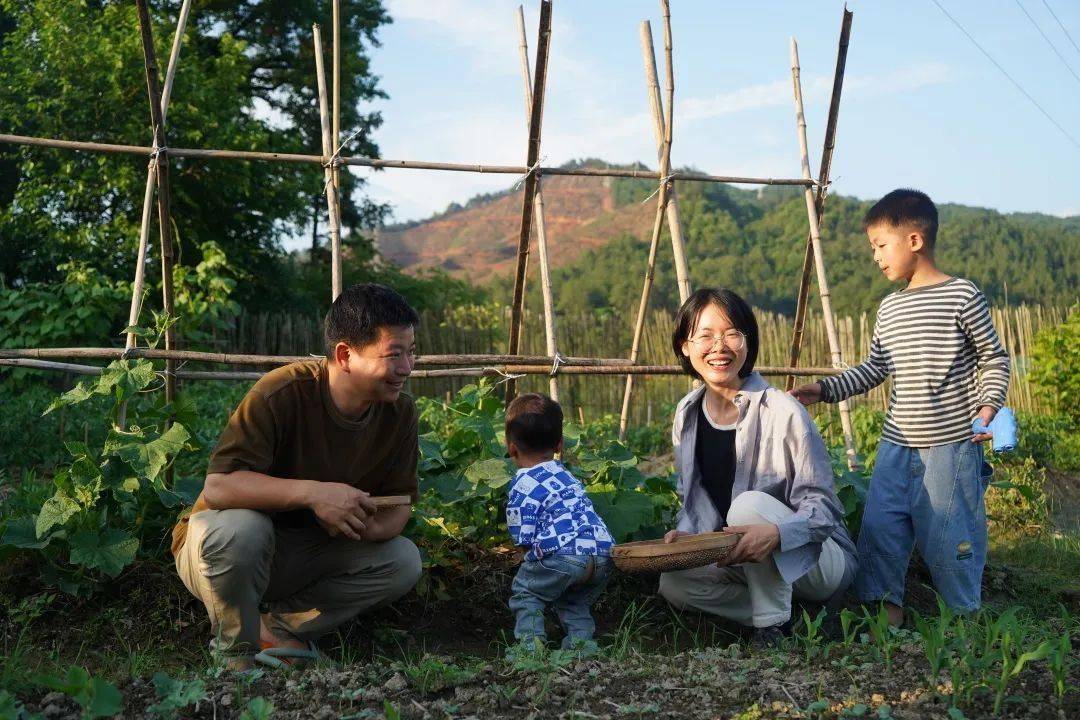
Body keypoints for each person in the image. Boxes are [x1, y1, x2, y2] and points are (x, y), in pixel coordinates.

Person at [171, 283, 423, 669]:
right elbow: (220, 487)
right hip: (220, 554)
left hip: (304, 554)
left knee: (403, 560)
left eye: (411, 353)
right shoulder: (281, 392)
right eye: (394, 355)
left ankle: (273, 627)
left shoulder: (400, 414)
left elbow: (400, 504)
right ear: (345, 355)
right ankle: (236, 652)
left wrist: (358, 525)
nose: (407, 368)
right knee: (242, 530)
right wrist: (313, 494)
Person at [792, 189, 1009, 624]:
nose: (875, 256)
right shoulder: (890, 309)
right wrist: (824, 389)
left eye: (879, 245)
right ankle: (885, 623)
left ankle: (963, 622)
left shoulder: (962, 296)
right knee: (881, 533)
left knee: (950, 536)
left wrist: (989, 406)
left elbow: (994, 357)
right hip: (896, 445)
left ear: (914, 240)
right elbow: (875, 369)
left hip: (951, 445)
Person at [658, 288, 858, 647]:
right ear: (685, 346)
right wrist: (691, 537)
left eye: (732, 334)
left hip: (816, 558)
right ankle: (801, 618)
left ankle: (771, 629)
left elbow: (825, 510)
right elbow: (695, 501)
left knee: (749, 506)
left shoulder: (783, 410)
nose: (719, 346)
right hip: (746, 558)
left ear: (748, 343)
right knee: (674, 584)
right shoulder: (687, 413)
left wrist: (778, 534)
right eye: (704, 335)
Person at [504, 393, 614, 654]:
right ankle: (581, 647)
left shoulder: (523, 483)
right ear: (559, 445)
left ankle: (529, 648)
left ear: (511, 448)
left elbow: (523, 535)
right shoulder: (565, 475)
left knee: (526, 593)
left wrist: (528, 558)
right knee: (573, 599)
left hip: (563, 554)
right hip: (601, 553)